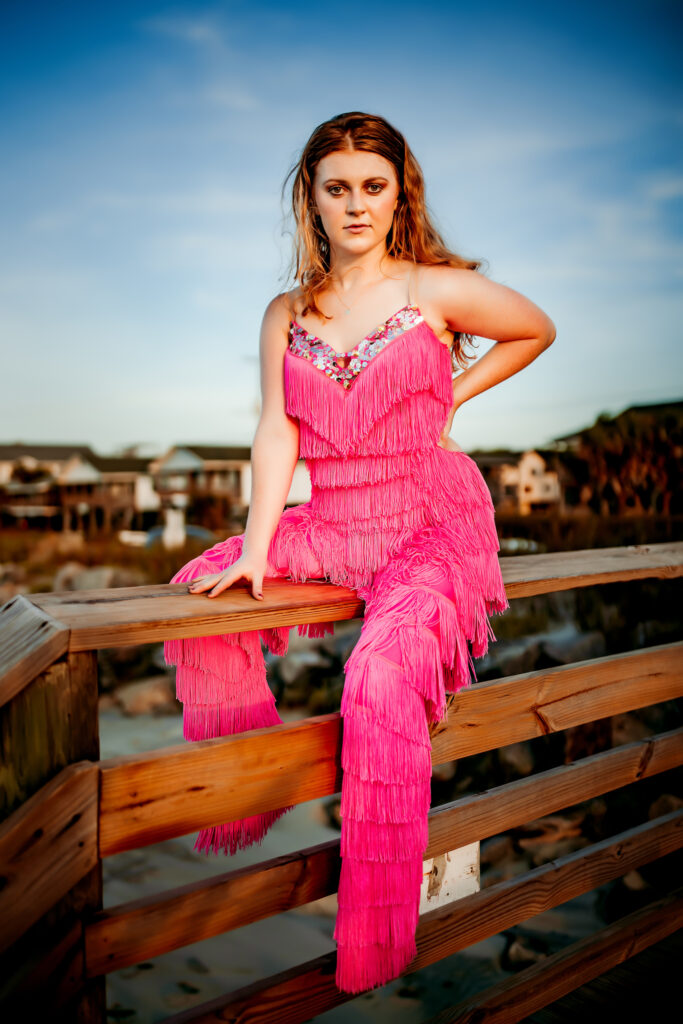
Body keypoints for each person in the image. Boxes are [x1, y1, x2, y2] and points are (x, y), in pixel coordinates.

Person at [163, 111, 556, 995]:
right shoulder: (284, 313)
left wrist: (455, 388)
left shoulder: (432, 287)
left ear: (397, 193)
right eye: (335, 186)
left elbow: (534, 327)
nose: (354, 205)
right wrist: (257, 546)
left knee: (377, 680)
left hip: (427, 517)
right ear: (310, 197)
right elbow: (274, 433)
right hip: (335, 517)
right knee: (203, 585)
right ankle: (249, 800)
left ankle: (375, 940)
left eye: (371, 187)